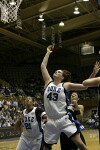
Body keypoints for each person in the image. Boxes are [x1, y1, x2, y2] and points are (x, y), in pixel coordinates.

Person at [41, 45, 88, 150]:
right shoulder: (48, 82)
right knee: (45, 147)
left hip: (63, 119)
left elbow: (84, 86)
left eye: (59, 72)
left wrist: (93, 76)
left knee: (80, 144)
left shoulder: (65, 85)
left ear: (62, 77)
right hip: (50, 121)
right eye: (56, 71)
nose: (56, 72)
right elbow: (43, 66)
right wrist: (48, 52)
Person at [60, 61, 100, 150]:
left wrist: (93, 73)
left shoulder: (79, 106)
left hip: (75, 131)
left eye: (75, 95)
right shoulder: (64, 104)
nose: (73, 95)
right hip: (64, 131)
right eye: (72, 95)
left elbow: (85, 85)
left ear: (78, 98)